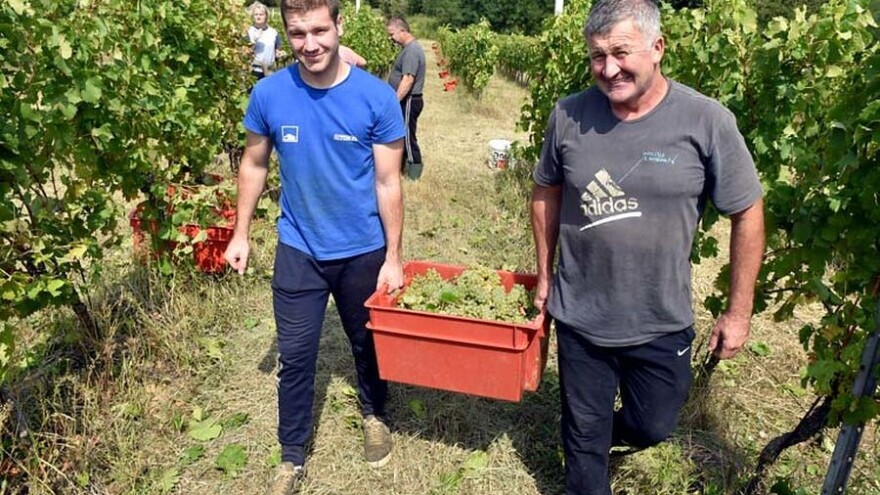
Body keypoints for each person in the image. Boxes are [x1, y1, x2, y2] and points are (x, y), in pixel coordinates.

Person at [529, 0, 765, 493]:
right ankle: (583, 447)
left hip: (661, 318)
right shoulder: (569, 115)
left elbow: (747, 212)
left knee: (654, 425)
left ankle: (588, 436)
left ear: (657, 48)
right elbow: (545, 190)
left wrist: (739, 312)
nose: (608, 69)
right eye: (597, 56)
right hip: (581, 317)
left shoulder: (706, 121)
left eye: (620, 52)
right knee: (586, 448)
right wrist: (546, 277)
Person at [224, 0, 406, 493]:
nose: (310, 44)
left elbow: (389, 183)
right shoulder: (269, 93)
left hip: (362, 249)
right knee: (297, 356)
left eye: (320, 31)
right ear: (286, 32)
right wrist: (241, 233)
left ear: (339, 25)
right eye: (298, 33)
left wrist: (392, 257)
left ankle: (374, 412)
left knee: (367, 342)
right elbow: (254, 164)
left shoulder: (376, 98)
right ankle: (291, 455)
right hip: (298, 247)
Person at [385, 16, 426, 180]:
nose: (391, 38)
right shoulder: (409, 49)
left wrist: (395, 101)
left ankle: (414, 172)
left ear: (402, 31)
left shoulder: (411, 51)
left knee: (407, 135)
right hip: (406, 99)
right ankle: (403, 167)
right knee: (402, 134)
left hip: (409, 99)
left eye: (392, 34)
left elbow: (408, 79)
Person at [247, 2, 284, 80]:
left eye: (261, 14)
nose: (258, 17)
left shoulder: (273, 32)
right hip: (255, 70)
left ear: (266, 16)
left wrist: (279, 54)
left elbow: (277, 49)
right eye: (256, 15)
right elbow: (246, 52)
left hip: (270, 71)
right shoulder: (249, 31)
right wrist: (254, 41)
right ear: (253, 16)